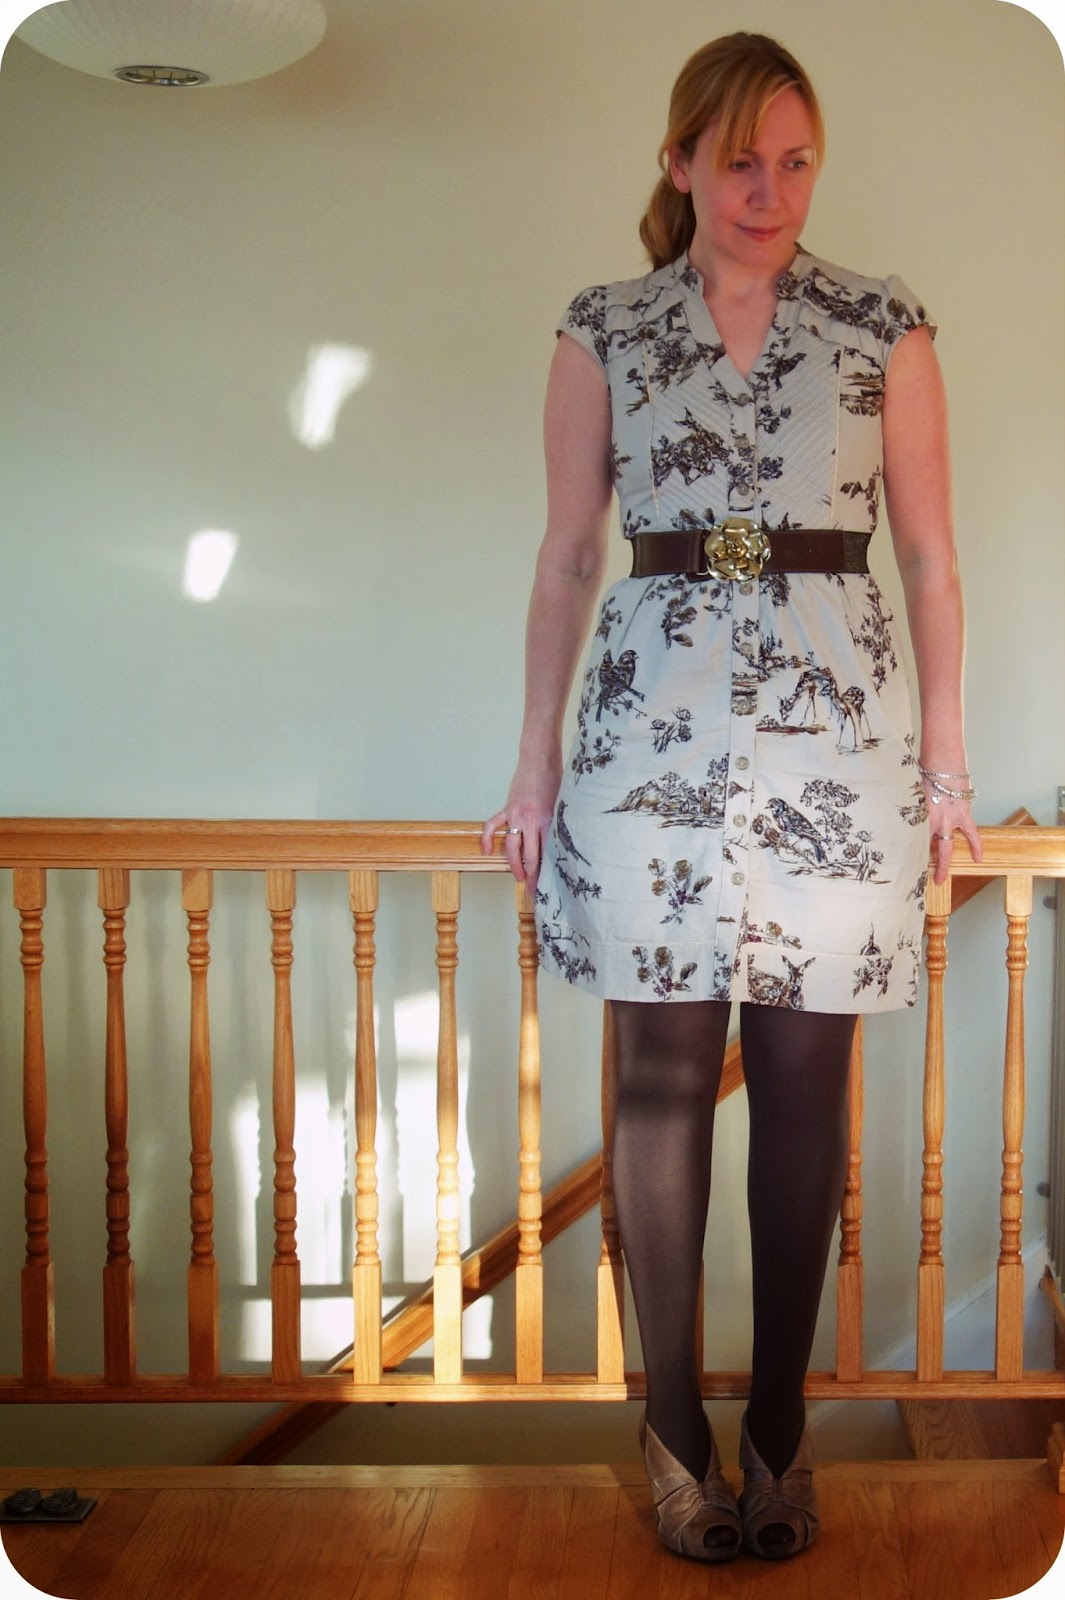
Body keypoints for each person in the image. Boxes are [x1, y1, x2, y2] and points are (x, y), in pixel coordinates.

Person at [481, 31, 981, 1565]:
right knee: (657, 1080)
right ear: (681, 163)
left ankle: (775, 1433)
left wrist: (944, 759)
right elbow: (568, 556)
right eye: (741, 160)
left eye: (796, 160)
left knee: (805, 1083)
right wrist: (533, 761)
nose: (770, 190)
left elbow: (928, 556)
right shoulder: (607, 329)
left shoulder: (881, 323)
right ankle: (671, 1433)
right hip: (650, 741)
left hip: (835, 743)